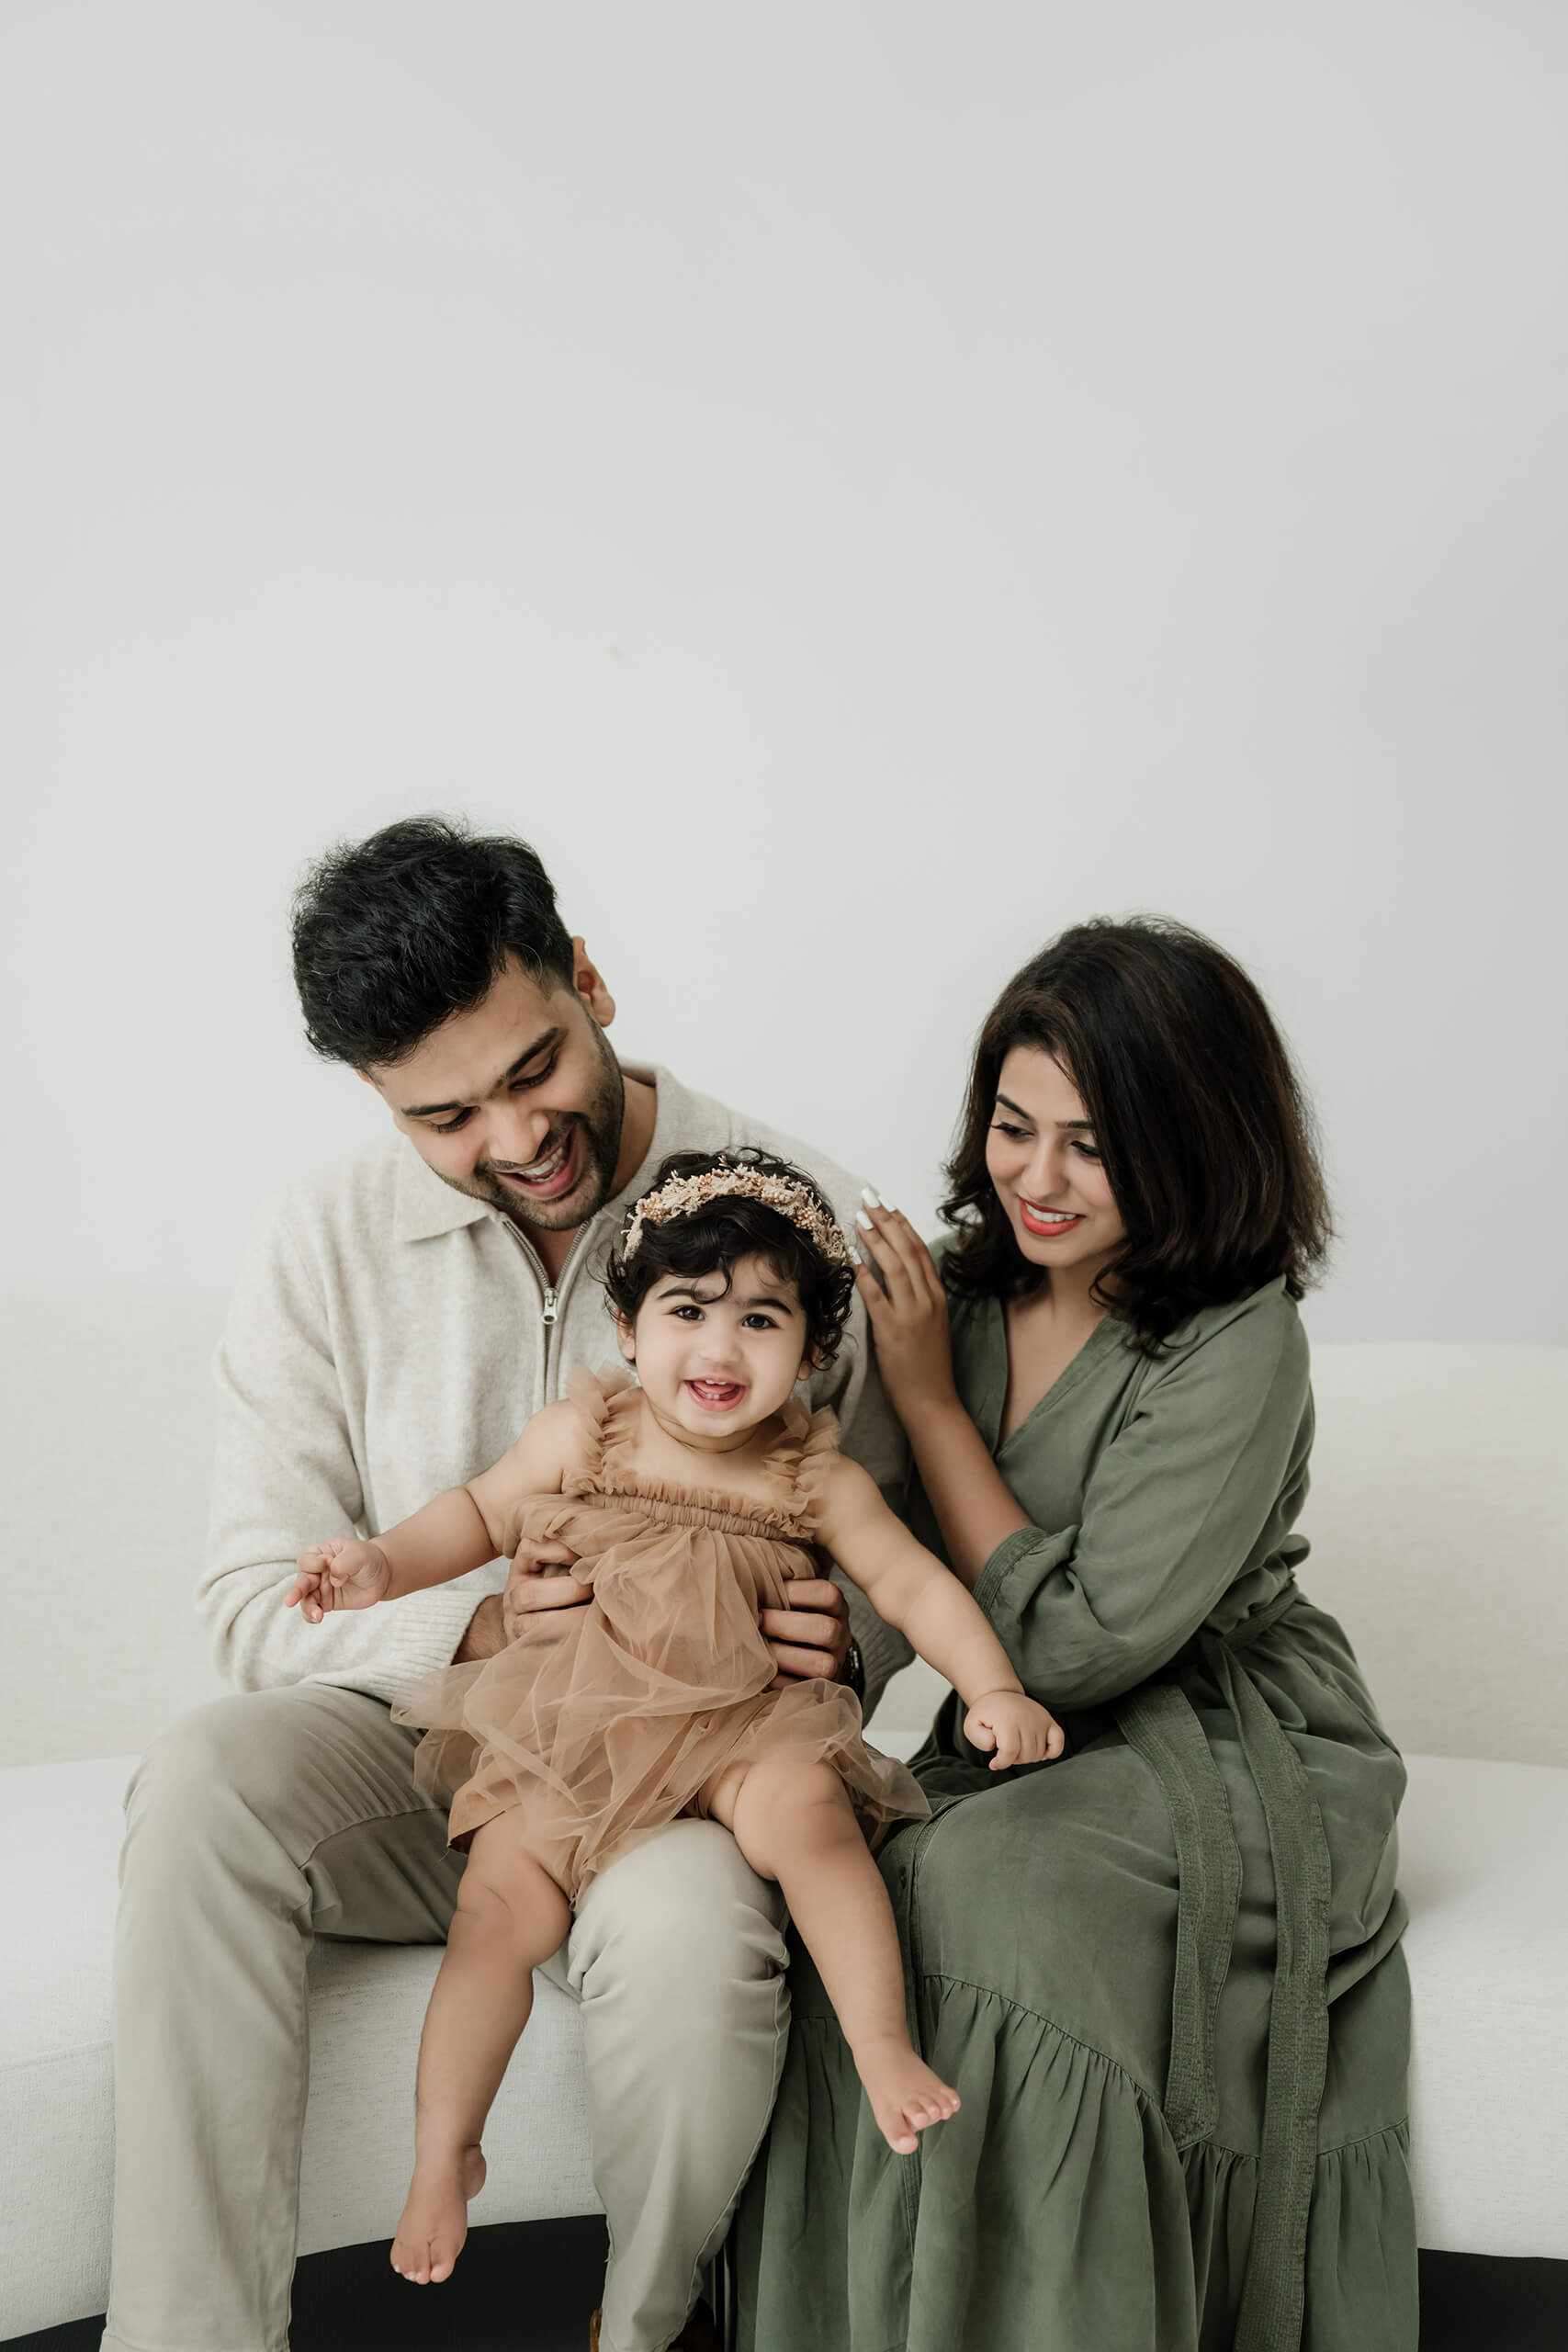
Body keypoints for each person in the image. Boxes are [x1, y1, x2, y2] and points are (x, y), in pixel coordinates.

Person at [102, 818, 914, 2352]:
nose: (515, 1139)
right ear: (377, 1101)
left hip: (685, 1779)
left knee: (684, 1950)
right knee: (204, 1774)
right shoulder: (318, 1243)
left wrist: (845, 1639)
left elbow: (892, 1536)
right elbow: (249, 1595)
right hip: (426, 1748)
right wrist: (470, 1620)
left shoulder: (794, 1215)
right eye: (446, 1116)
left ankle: (647, 2329)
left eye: (535, 1070)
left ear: (590, 982)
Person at [734, 919, 1416, 2352]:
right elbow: (873, 1537)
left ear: (1187, 1142)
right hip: (1019, 1726)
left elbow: (1086, 1641)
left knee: (999, 1878)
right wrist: (817, 1651)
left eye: (1090, 1146)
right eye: (1009, 1127)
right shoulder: (954, 1296)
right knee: (850, 1869)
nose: (1035, 1180)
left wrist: (926, 1406)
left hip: (1231, 1732)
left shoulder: (1237, 1338)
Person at [286, 1149, 1063, 2284]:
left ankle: (882, 2043)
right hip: (580, 1727)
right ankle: (443, 2152)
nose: (720, 1347)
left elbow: (913, 1586)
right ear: (628, 1328)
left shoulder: (812, 1477)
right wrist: (378, 1566)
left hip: (743, 1731)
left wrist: (991, 1687)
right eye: (688, 1309)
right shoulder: (584, 1438)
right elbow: (473, 1513)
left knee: (808, 1811)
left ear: (811, 1350)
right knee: (500, 1906)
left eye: (762, 1318)